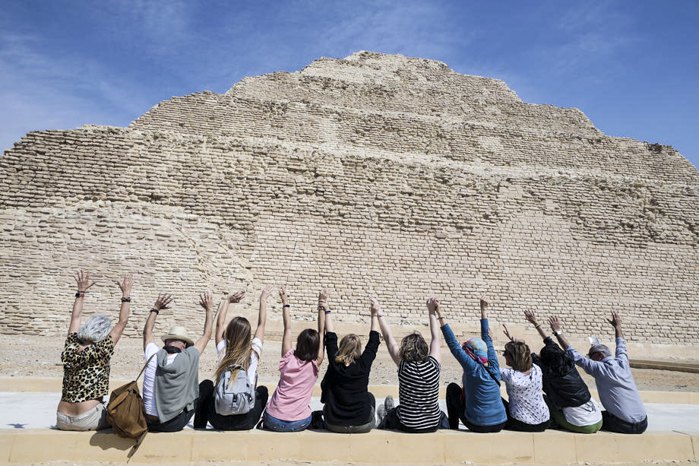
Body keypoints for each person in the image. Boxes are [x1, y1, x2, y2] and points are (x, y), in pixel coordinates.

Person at [56, 271, 133, 431]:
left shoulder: (70, 346)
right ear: (104, 334)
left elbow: (75, 318)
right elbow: (122, 322)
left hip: (61, 418)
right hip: (86, 419)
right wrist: (126, 294)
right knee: (124, 409)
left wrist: (81, 292)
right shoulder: (102, 349)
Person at [549, 312, 648, 434]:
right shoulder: (623, 363)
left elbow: (573, 354)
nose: (590, 359)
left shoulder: (600, 368)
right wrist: (618, 327)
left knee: (588, 420)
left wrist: (558, 332)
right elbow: (621, 344)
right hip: (643, 423)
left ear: (600, 355)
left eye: (591, 356)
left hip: (626, 426)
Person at [194, 287, 271, 430]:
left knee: (206, 385)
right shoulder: (254, 352)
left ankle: (199, 426)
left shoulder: (224, 351)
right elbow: (262, 324)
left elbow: (219, 324)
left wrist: (228, 301)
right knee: (263, 391)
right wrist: (263, 300)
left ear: (228, 333)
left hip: (218, 420)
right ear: (248, 335)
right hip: (245, 421)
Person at [142, 291, 214, 432]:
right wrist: (209, 309)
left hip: (147, 421)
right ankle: (199, 427)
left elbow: (147, 333)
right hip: (171, 424)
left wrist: (156, 308)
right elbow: (206, 336)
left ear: (167, 341)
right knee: (206, 386)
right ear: (184, 345)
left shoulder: (152, 354)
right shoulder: (188, 356)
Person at [376, 296, 448, 433]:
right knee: (442, 415)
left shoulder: (404, 366)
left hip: (408, 425)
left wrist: (379, 314)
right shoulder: (433, 366)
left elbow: (389, 339)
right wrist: (432, 311)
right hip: (432, 425)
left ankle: (383, 420)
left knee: (392, 414)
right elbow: (436, 338)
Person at [523, 311, 602, 434]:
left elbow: (527, 357)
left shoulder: (548, 374)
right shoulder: (570, 365)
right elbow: (550, 343)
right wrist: (535, 323)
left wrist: (518, 344)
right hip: (598, 420)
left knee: (542, 399)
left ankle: (552, 422)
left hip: (583, 425)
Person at [439, 298, 507, 433]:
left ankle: (453, 427)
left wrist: (439, 315)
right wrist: (484, 312)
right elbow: (488, 340)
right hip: (500, 423)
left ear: (470, 353)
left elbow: (454, 345)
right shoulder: (493, 364)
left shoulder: (472, 368)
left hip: (477, 425)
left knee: (452, 388)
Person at [262, 288, 326, 432]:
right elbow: (322, 332)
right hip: (299, 422)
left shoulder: (288, 357)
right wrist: (322, 303)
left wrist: (285, 302)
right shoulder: (315, 363)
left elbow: (288, 328)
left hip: (273, 420)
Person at [319, 295, 381, 433]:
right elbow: (374, 341)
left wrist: (327, 309)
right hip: (362, 425)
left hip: (334, 424)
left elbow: (330, 337)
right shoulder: (363, 364)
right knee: (370, 397)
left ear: (341, 346)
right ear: (359, 348)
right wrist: (374, 315)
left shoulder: (335, 362)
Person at [500, 325, 550, 431]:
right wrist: (514, 341)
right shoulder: (536, 369)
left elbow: (489, 367)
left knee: (495, 398)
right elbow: (525, 353)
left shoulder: (510, 376)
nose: (503, 355)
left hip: (522, 423)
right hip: (544, 421)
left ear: (512, 357)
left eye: (505, 353)